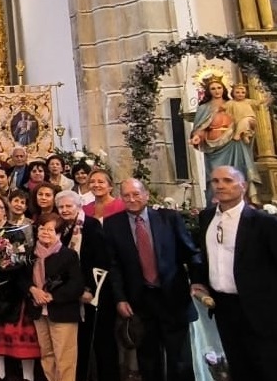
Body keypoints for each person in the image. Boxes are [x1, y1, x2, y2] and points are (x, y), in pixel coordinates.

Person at [104, 178, 201, 381]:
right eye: (126, 195)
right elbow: (114, 266)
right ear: (121, 198)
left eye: (136, 194)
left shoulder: (169, 218)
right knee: (148, 358)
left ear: (146, 195)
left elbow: (190, 252)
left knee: (180, 359)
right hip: (140, 300)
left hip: (173, 298)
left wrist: (198, 281)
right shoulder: (113, 224)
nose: (132, 199)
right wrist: (120, 298)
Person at [194, 166, 277, 381]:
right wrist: (200, 282)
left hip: (259, 309)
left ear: (243, 186)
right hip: (223, 306)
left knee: (265, 367)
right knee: (237, 365)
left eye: (228, 180)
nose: (221, 186)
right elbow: (206, 256)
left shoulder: (263, 222)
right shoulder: (206, 217)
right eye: (215, 181)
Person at [55, 190, 120, 381]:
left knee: (102, 341)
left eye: (69, 206)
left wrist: (89, 288)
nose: (65, 210)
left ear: (78, 206)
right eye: (61, 207)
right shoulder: (63, 229)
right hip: (73, 292)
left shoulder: (90, 225)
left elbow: (101, 259)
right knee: (81, 342)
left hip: (95, 292)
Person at [0, 194, 38, 381]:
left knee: (20, 335)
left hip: (13, 289)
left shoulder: (16, 232)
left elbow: (20, 263)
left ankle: (28, 375)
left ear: (6, 210)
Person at [24, 213, 83, 381]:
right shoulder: (30, 253)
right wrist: (33, 290)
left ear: (59, 233)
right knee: (46, 354)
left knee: (65, 357)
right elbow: (21, 279)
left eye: (50, 230)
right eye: (42, 228)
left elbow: (76, 285)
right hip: (38, 311)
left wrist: (51, 296)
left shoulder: (68, 255)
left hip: (62, 311)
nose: (45, 232)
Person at [190, 78, 259, 202]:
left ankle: (240, 203)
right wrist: (197, 137)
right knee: (216, 176)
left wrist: (250, 123)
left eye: (219, 88)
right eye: (213, 88)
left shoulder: (232, 104)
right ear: (208, 91)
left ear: (224, 89)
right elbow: (200, 127)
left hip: (233, 143)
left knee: (236, 173)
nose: (217, 91)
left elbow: (245, 120)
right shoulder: (204, 108)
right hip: (214, 149)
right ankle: (216, 204)